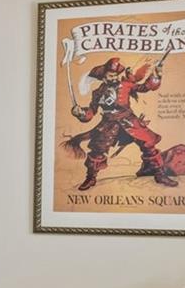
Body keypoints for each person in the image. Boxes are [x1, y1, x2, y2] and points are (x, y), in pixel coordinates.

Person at [62, 56, 177, 190]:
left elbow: (145, 87)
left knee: (148, 144)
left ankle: (160, 174)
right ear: (104, 77)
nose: (115, 78)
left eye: (116, 75)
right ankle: (90, 178)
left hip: (130, 121)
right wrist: (80, 113)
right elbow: (91, 112)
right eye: (111, 75)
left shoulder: (126, 85)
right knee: (97, 150)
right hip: (108, 125)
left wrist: (156, 75)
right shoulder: (97, 93)